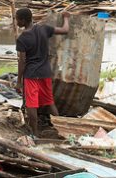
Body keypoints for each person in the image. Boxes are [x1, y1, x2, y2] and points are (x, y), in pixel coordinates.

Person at [15, 8, 70, 136]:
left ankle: (35, 132)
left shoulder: (22, 38)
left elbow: (22, 62)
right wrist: (66, 18)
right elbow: (65, 30)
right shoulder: (44, 29)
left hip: (31, 74)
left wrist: (19, 82)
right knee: (49, 102)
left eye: (17, 19)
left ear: (23, 20)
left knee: (31, 103)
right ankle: (62, 130)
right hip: (45, 73)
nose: (16, 21)